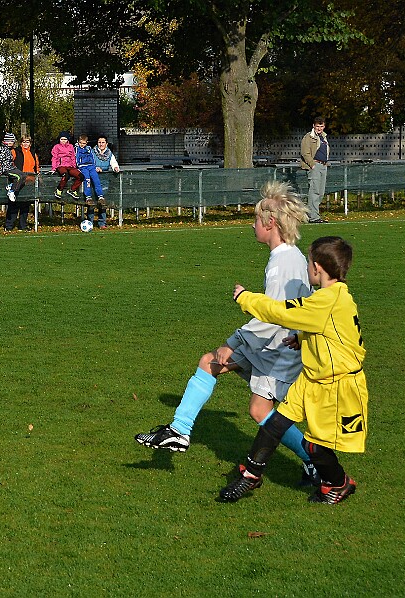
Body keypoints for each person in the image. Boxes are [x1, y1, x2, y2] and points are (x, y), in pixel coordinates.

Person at [136, 181, 320, 485]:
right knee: (240, 390)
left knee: (223, 371)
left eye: (255, 220)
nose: (252, 226)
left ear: (270, 223)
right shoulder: (289, 256)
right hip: (277, 344)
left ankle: (180, 431)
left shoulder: (284, 262)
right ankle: (179, 430)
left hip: (277, 347)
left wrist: (233, 343)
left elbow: (272, 314)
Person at [219, 236, 367, 504]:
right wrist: (302, 339)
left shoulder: (327, 301)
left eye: (309, 262)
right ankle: (250, 476)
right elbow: (333, 330)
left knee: (315, 446)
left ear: (318, 268)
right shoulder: (332, 297)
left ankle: (339, 483)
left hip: (337, 386)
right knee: (273, 425)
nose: (307, 267)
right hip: (313, 379)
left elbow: (281, 312)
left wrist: (246, 298)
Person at [5, 135, 40, 231]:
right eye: (24, 142)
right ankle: (9, 226)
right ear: (21, 143)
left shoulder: (33, 152)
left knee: (26, 204)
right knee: (14, 203)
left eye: (27, 142)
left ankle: (23, 225)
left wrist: (37, 175)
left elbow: (36, 166)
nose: (25, 144)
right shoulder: (15, 151)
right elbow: (10, 164)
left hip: (30, 180)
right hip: (18, 181)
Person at [300, 117, 330, 224]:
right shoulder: (308, 137)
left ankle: (314, 214)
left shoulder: (323, 137)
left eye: (321, 126)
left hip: (323, 165)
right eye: (317, 126)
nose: (319, 128)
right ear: (314, 126)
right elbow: (305, 152)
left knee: (320, 192)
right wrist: (312, 165)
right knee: (314, 191)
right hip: (315, 165)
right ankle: (313, 217)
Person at [74, 134, 105, 228]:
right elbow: (76, 158)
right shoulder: (76, 148)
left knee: (96, 180)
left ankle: (100, 196)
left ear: (86, 143)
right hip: (83, 167)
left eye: (84, 143)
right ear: (78, 142)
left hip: (91, 166)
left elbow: (93, 157)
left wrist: (95, 166)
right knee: (86, 180)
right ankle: (88, 197)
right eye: (80, 143)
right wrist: (78, 166)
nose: (82, 145)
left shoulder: (89, 149)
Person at [90, 136, 120, 229]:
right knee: (92, 202)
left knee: (102, 202)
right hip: (93, 179)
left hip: (104, 180)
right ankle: (89, 222)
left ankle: (102, 223)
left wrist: (115, 168)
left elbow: (114, 163)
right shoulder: (92, 152)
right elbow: (89, 163)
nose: (101, 144)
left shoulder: (109, 154)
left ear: (106, 144)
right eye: (99, 142)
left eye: (103, 142)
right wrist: (95, 168)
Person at [0, 132, 24, 203]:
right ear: (8, 142)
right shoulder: (2, 150)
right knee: (19, 177)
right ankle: (11, 191)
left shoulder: (8, 150)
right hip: (6, 169)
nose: (13, 143)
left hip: (11, 168)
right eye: (12, 141)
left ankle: (11, 186)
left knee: (23, 175)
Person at [51, 131, 82, 200]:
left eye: (65, 139)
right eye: (62, 139)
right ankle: (59, 190)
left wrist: (74, 166)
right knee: (66, 175)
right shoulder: (56, 147)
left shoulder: (71, 146)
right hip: (61, 165)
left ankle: (72, 189)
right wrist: (54, 168)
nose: (63, 141)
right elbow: (54, 157)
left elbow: (73, 157)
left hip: (70, 165)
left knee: (81, 176)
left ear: (67, 139)